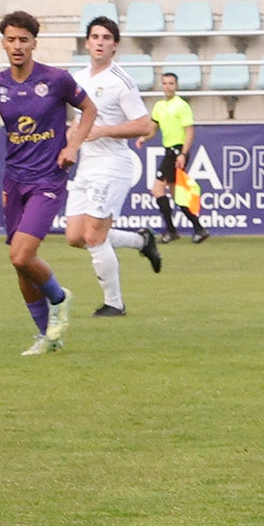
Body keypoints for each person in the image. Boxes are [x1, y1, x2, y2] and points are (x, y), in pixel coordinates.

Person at [0, 10, 97, 357]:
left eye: (24, 40)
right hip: (15, 180)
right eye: (11, 39)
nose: (17, 46)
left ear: (34, 43)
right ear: (3, 43)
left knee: (21, 254)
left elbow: (90, 110)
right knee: (20, 264)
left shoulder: (56, 80)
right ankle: (47, 336)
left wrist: (72, 145)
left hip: (48, 179)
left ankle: (59, 296)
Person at [66, 17, 162, 318]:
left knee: (94, 236)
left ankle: (114, 304)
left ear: (115, 45)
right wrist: (72, 135)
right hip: (86, 165)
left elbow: (145, 124)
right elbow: (78, 122)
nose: (100, 42)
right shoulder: (77, 79)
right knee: (74, 236)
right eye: (95, 36)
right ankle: (140, 240)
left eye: (106, 37)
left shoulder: (121, 81)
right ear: (86, 42)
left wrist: (103, 130)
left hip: (112, 165)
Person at [135, 73, 210, 243]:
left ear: (176, 85)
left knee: (157, 190)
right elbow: (153, 128)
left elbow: (189, 131)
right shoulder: (159, 106)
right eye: (165, 83)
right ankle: (198, 228)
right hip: (169, 150)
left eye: (171, 83)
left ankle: (171, 230)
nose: (168, 86)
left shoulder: (181, 106)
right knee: (177, 195)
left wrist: (183, 154)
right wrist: (144, 138)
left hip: (177, 151)